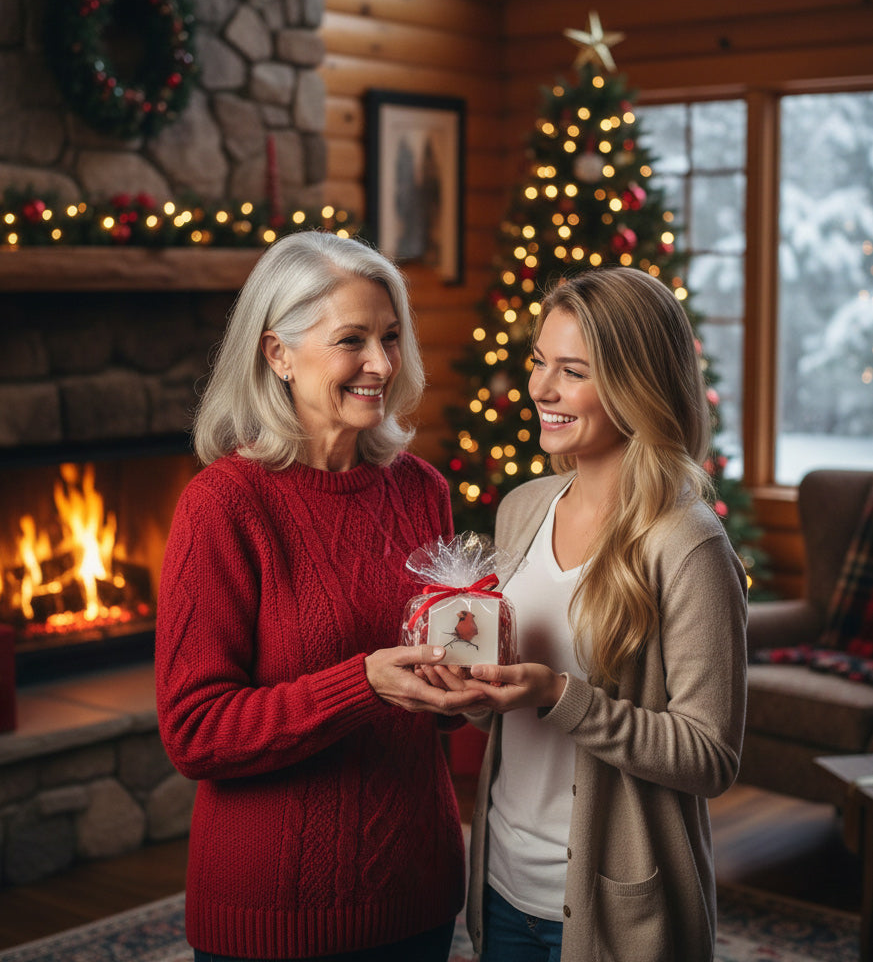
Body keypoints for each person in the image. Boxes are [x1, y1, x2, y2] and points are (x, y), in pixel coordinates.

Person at [154, 230, 484, 962]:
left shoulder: (420, 489)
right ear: (277, 354)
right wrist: (362, 682)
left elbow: (430, 703)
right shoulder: (224, 506)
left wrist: (465, 687)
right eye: (351, 340)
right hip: (275, 910)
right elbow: (194, 730)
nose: (380, 363)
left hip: (417, 886)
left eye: (391, 337)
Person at [425, 267, 748, 961]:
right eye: (539, 362)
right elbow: (497, 706)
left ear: (637, 386)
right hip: (500, 884)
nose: (540, 388)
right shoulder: (521, 507)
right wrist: (465, 687)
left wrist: (557, 695)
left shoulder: (685, 544)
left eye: (572, 370)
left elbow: (710, 756)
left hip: (618, 906)